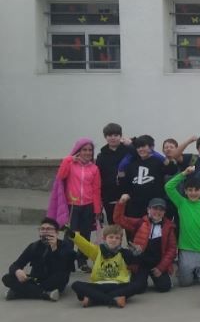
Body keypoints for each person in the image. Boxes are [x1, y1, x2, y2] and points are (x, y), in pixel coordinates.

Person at [50, 137, 102, 272]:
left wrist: (97, 209)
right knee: (70, 235)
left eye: (90, 150)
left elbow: (96, 190)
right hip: (72, 205)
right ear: (78, 151)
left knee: (85, 235)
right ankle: (67, 261)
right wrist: (68, 159)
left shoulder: (94, 168)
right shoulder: (70, 164)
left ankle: (82, 261)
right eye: (84, 150)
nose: (87, 152)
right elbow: (61, 176)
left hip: (88, 206)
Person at [164, 167, 200, 287]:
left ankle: (198, 271)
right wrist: (183, 174)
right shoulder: (182, 203)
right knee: (185, 283)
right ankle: (185, 270)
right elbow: (168, 187)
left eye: (196, 190)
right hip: (186, 251)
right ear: (185, 191)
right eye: (190, 190)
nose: (193, 193)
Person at [113, 195, 175, 293]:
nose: (158, 212)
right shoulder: (140, 222)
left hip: (158, 262)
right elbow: (118, 219)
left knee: (164, 287)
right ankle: (137, 277)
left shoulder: (168, 227)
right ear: (148, 209)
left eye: (161, 209)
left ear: (164, 212)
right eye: (155, 208)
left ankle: (162, 276)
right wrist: (121, 202)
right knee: (139, 288)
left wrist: (161, 267)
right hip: (141, 262)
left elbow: (171, 249)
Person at [67, 224, 138, 308]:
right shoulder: (97, 251)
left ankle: (93, 299)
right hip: (98, 285)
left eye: (117, 238)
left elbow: (135, 262)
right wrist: (74, 236)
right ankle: (113, 301)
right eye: (111, 237)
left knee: (136, 286)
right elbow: (85, 245)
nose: (114, 240)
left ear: (120, 240)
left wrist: (137, 254)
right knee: (76, 285)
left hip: (118, 285)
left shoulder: (125, 253)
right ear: (104, 238)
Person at [3, 218, 73, 301]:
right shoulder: (34, 246)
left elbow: (64, 268)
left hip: (53, 280)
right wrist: (17, 271)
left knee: (61, 277)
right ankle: (44, 294)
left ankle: (18, 293)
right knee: (7, 278)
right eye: (42, 229)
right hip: (36, 279)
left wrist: (54, 249)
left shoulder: (65, 246)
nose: (45, 231)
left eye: (49, 229)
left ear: (57, 233)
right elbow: (15, 265)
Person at [119, 135, 177, 219]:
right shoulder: (132, 162)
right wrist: (121, 173)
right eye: (138, 147)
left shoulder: (158, 161)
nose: (140, 149)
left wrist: (163, 159)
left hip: (154, 204)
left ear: (151, 147)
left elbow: (172, 170)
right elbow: (125, 184)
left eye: (143, 146)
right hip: (135, 205)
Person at [96, 123, 132, 224]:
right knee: (113, 226)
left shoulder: (129, 151)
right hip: (109, 196)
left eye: (116, 135)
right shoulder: (101, 156)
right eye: (110, 135)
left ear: (120, 136)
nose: (113, 138)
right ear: (105, 137)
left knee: (130, 225)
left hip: (128, 194)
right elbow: (99, 177)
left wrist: (131, 144)